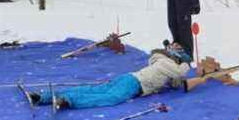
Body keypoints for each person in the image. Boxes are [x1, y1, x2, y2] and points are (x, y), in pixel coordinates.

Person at [29, 43, 191, 110]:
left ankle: (43, 97)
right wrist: (187, 63)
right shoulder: (167, 63)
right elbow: (179, 72)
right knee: (108, 98)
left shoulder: (161, 61)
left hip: (129, 78)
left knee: (94, 90)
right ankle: (67, 101)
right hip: (135, 84)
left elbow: (175, 82)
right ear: (175, 57)